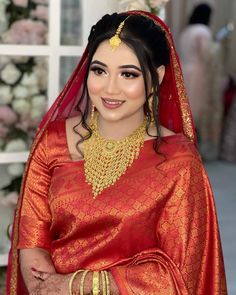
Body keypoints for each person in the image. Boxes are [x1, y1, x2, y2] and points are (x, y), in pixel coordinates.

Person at [6, 10, 227, 294]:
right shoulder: (54, 141)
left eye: (128, 74)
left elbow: (183, 273)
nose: (110, 88)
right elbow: (31, 237)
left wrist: (75, 285)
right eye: (99, 70)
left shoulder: (179, 162)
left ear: (156, 77)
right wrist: (47, 289)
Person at [179, 3, 224, 160]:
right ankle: (195, 151)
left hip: (183, 70)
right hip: (197, 74)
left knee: (185, 110)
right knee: (196, 112)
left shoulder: (186, 31)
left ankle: (183, 148)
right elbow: (207, 54)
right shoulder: (202, 31)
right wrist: (217, 43)